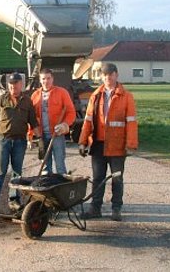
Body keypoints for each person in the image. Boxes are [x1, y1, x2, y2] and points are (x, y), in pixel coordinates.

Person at [78, 63, 138, 221]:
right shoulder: (95, 95)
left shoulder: (126, 97)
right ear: (101, 77)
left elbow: (131, 122)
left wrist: (131, 144)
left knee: (117, 178)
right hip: (98, 144)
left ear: (116, 75)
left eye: (110, 74)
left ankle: (116, 208)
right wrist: (82, 141)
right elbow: (88, 121)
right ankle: (95, 208)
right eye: (104, 75)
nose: (107, 78)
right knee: (98, 178)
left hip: (117, 146)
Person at [0, 72, 40, 216]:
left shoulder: (27, 101)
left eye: (16, 84)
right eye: (11, 84)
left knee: (17, 172)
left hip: (20, 142)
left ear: (21, 85)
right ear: (8, 85)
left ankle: (14, 200)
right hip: (4, 140)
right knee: (0, 172)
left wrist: (41, 140)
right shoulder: (1, 100)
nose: (14, 87)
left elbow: (33, 122)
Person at [30, 68, 76, 175]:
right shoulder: (35, 96)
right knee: (45, 167)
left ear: (52, 79)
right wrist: (30, 136)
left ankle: (61, 188)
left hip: (57, 135)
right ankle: (47, 189)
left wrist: (65, 124)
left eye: (48, 78)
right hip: (42, 136)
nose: (46, 81)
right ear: (40, 80)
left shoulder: (62, 93)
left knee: (60, 165)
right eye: (43, 79)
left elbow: (71, 112)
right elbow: (31, 118)